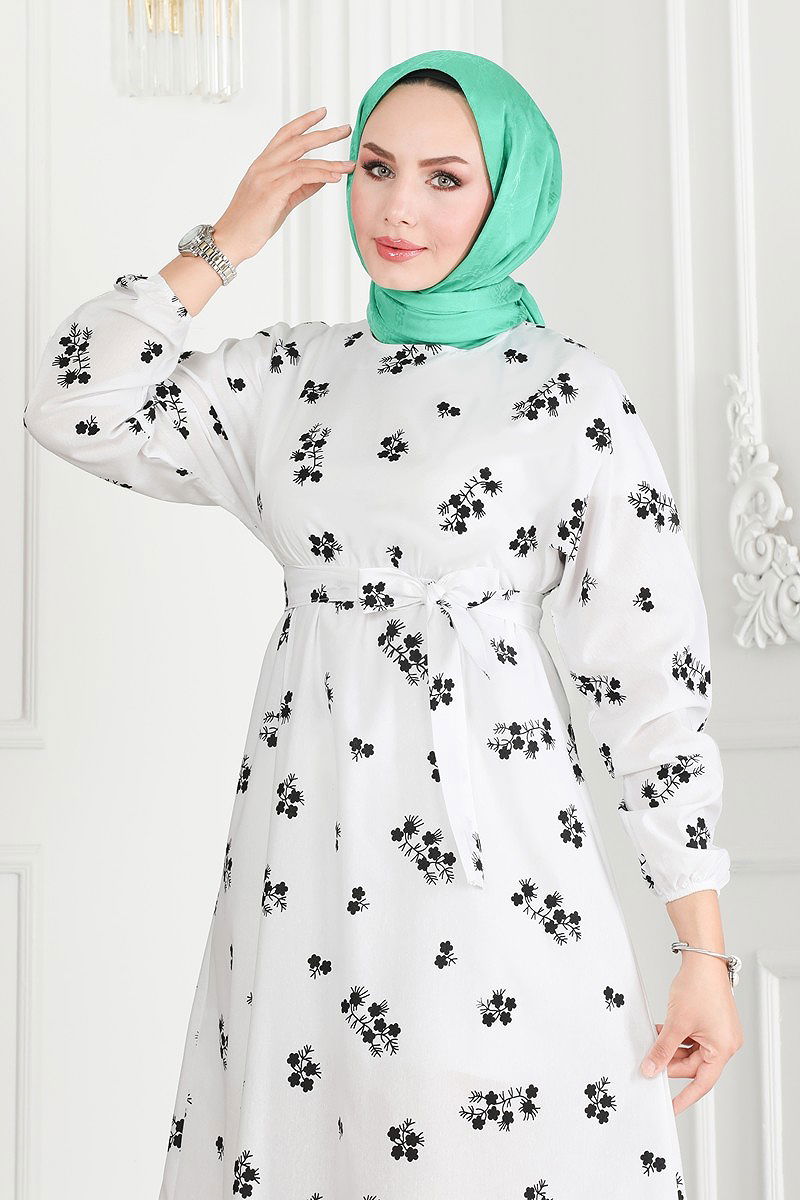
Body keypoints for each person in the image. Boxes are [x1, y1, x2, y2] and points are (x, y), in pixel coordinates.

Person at [24, 48, 743, 1200]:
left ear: (507, 196)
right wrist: (229, 237)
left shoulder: (569, 397)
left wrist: (700, 949)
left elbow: (646, 683)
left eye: (444, 178)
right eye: (375, 167)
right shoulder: (290, 378)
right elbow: (74, 403)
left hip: (500, 858)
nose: (397, 208)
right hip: (303, 862)